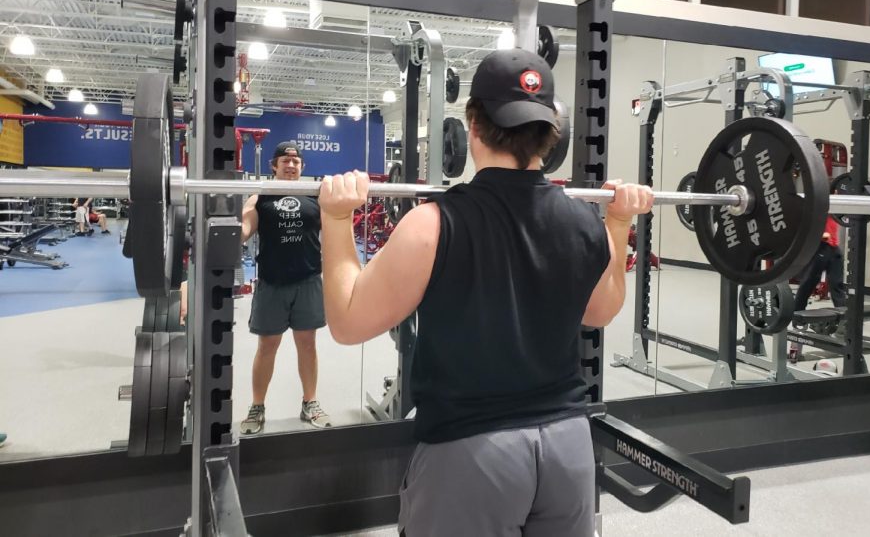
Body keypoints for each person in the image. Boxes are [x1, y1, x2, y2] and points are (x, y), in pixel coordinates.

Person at [318, 48, 653, 536]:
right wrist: (618, 223)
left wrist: (336, 218)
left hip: (471, 454)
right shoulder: (585, 221)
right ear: (549, 134)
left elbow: (348, 323)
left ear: (472, 126)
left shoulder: (431, 224)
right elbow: (602, 310)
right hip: (568, 449)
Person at [239, 141, 331, 434]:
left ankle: (310, 402)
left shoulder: (315, 196)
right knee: (267, 346)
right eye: (284, 161)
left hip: (307, 280)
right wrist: (226, 234)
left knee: (308, 345)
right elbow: (244, 227)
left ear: (302, 167)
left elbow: (332, 235)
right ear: (274, 166)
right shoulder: (261, 197)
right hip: (272, 282)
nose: (291, 165)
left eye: (295, 161)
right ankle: (257, 407)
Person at [794, 214, 848, 312]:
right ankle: (797, 312)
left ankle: (843, 316)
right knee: (809, 282)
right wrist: (819, 235)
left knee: (837, 283)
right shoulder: (819, 205)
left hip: (834, 247)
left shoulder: (835, 206)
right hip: (820, 246)